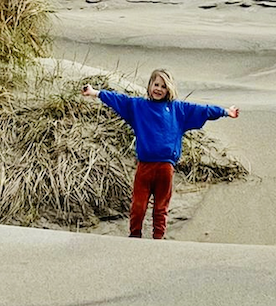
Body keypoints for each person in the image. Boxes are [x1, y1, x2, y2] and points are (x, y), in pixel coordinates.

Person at [81, 68, 239, 239]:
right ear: (149, 86)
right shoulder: (139, 107)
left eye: (163, 86)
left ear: (169, 89)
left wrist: (225, 112)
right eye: (156, 84)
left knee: (161, 207)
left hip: (166, 167)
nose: (159, 89)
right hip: (145, 166)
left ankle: (159, 239)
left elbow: (203, 110)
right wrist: (94, 92)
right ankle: (134, 236)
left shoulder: (178, 110)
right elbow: (119, 100)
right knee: (138, 206)